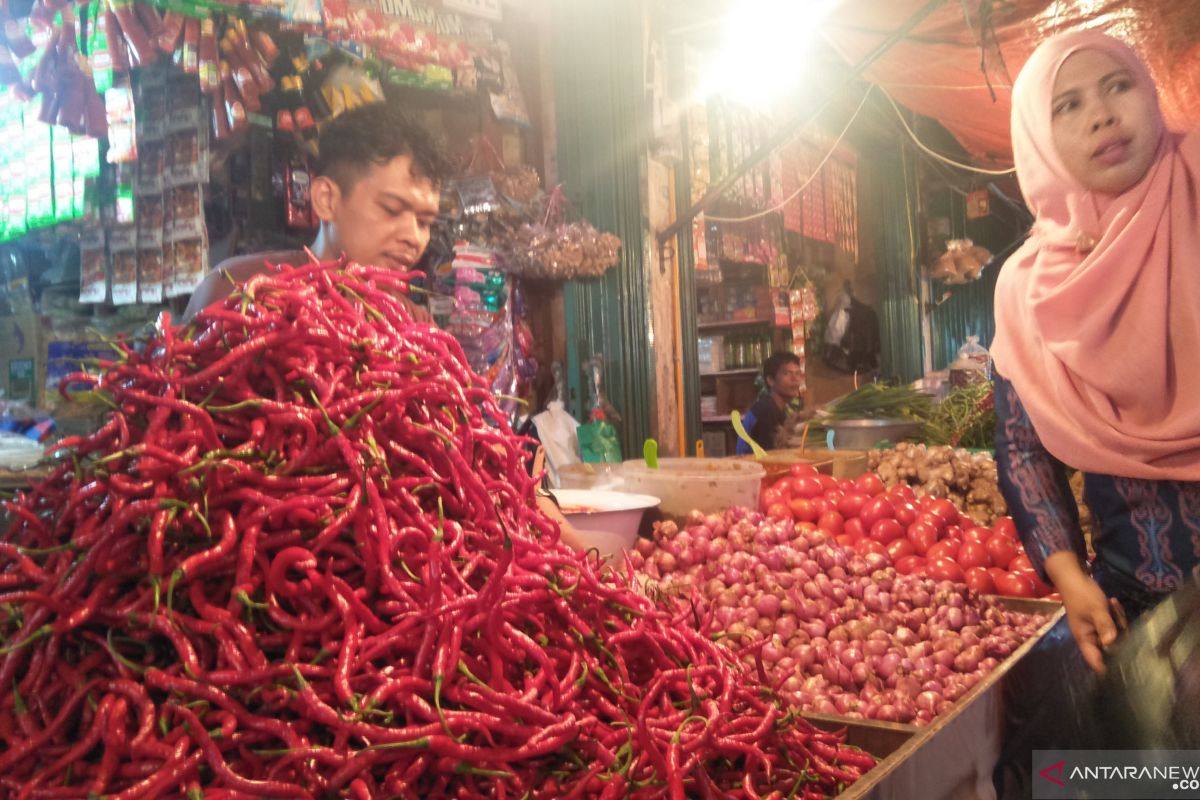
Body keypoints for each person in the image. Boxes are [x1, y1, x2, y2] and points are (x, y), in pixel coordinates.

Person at [987, 30, 1200, 794]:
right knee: (1085, 779)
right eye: (1068, 106)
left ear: (1152, 93)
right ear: (1042, 140)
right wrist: (1069, 577)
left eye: (1117, 87)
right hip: (1128, 606)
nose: (1102, 118)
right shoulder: (1026, 290)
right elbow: (1022, 451)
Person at [183, 102, 454, 322]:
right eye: (392, 209)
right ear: (326, 200)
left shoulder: (413, 324)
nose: (414, 238)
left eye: (425, 221)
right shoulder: (234, 292)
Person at [735, 352, 805, 455]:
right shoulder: (765, 410)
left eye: (797, 374)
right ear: (770, 380)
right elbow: (770, 455)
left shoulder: (779, 409)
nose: (794, 379)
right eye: (787, 374)